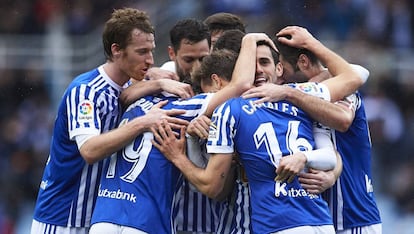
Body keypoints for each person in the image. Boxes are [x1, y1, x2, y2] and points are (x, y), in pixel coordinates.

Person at [153, 27, 362, 233]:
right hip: (248, 221)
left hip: (301, 221)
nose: (259, 70)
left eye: (264, 62)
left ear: (279, 69)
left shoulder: (298, 95)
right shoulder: (228, 108)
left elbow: (355, 77)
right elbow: (215, 185)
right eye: (252, 64)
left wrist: (327, 171)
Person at [89, 33, 275, 234]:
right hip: (145, 220)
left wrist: (156, 82)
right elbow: (241, 86)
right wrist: (250, 39)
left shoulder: (139, 102)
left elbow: (126, 94)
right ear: (219, 83)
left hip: (104, 215)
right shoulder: (187, 108)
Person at [30, 8, 188, 234]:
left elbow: (127, 92)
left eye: (151, 51)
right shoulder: (85, 91)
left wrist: (157, 82)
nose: (150, 60)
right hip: (63, 219)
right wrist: (144, 122)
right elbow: (90, 150)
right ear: (116, 50)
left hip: (98, 218)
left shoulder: (128, 87)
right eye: (141, 51)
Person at [242, 26, 382, 233]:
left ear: (303, 62)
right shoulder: (292, 99)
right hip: (317, 217)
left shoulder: (339, 90)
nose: (278, 77)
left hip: (353, 216)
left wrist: (310, 44)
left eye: (283, 69)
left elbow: (343, 117)